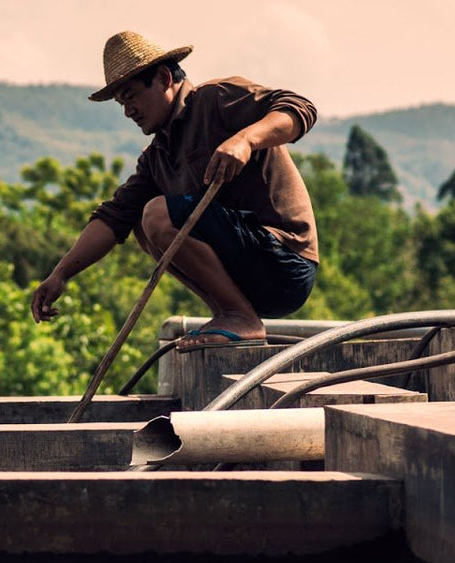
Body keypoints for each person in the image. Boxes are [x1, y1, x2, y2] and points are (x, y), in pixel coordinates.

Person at [30, 31, 320, 351]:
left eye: (132, 96)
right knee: (143, 223)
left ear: (165, 78)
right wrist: (59, 276)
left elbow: (299, 107)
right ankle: (229, 312)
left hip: (285, 263)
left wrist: (245, 140)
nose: (128, 111)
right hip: (251, 278)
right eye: (121, 103)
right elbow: (112, 218)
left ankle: (239, 316)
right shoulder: (157, 156)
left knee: (158, 214)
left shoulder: (216, 99)